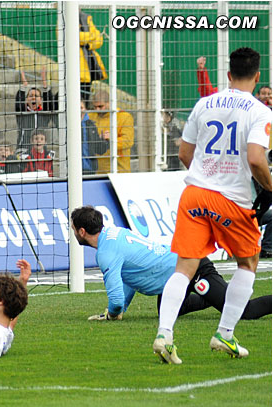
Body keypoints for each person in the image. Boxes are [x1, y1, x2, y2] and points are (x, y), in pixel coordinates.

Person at [154, 47, 272, 365]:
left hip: (194, 194)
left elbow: (184, 154)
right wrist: (269, 187)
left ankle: (164, 334)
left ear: (229, 74)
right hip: (231, 200)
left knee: (184, 268)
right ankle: (225, 334)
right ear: (258, 76)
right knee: (248, 263)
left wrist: (205, 174)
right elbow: (256, 158)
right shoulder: (261, 112)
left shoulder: (205, 104)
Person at [70, 206, 271, 322]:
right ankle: (220, 294)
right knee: (171, 309)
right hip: (172, 274)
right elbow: (130, 276)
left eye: (73, 228)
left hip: (192, 267)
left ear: (81, 231)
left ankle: (227, 295)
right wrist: (123, 309)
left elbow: (115, 298)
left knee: (245, 312)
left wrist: (113, 313)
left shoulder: (106, 252)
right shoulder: (114, 233)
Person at [15, 66, 58, 151]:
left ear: (41, 100)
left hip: (40, 149)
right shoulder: (22, 114)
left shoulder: (44, 114)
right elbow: (18, 103)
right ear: (26, 100)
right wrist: (24, 86)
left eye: (36, 96)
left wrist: (45, 85)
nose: (33, 98)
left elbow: (49, 104)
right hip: (24, 148)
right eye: (31, 96)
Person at [91, 90, 134, 173]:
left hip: (119, 170)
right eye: (94, 107)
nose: (97, 109)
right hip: (97, 170)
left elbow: (128, 141)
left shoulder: (124, 117)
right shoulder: (91, 116)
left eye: (100, 106)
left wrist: (112, 139)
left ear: (110, 103)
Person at [79, 10, 106, 100]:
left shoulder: (86, 18)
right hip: (75, 72)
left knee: (85, 101)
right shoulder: (63, 18)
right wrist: (92, 35)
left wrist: (88, 45)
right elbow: (74, 37)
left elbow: (99, 40)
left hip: (88, 72)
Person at [81, 100, 107, 174]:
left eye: (81, 108)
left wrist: (104, 141)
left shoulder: (91, 125)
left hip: (90, 169)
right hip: (74, 169)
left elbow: (99, 150)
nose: (79, 110)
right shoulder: (67, 125)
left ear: (85, 109)